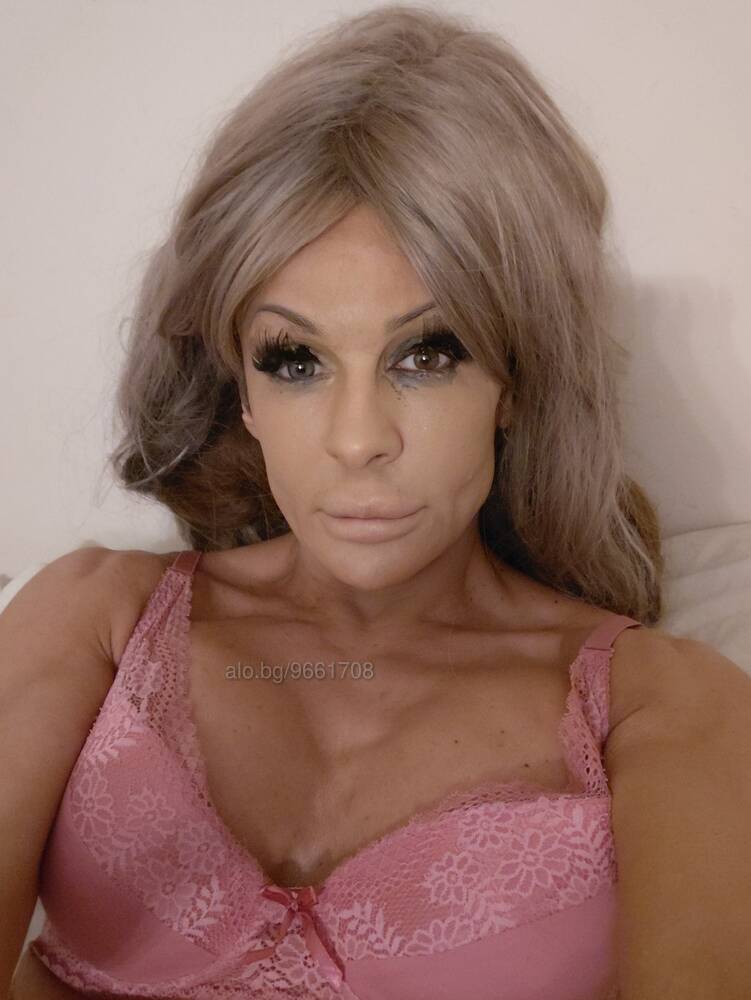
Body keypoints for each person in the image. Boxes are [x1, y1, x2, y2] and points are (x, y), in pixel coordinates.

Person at [4, 5, 670, 998]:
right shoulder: (92, 620)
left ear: (517, 377)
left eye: (427, 354)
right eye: (296, 359)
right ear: (240, 385)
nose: (359, 439)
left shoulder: (659, 703)